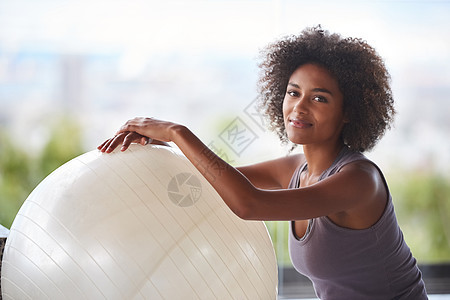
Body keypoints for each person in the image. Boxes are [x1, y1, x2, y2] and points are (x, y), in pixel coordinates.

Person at [98, 26, 427, 299]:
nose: (298, 109)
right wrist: (155, 148)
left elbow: (249, 204)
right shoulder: (294, 169)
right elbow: (208, 182)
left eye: (319, 98)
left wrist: (177, 132)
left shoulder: (359, 181)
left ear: (349, 112)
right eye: (293, 92)